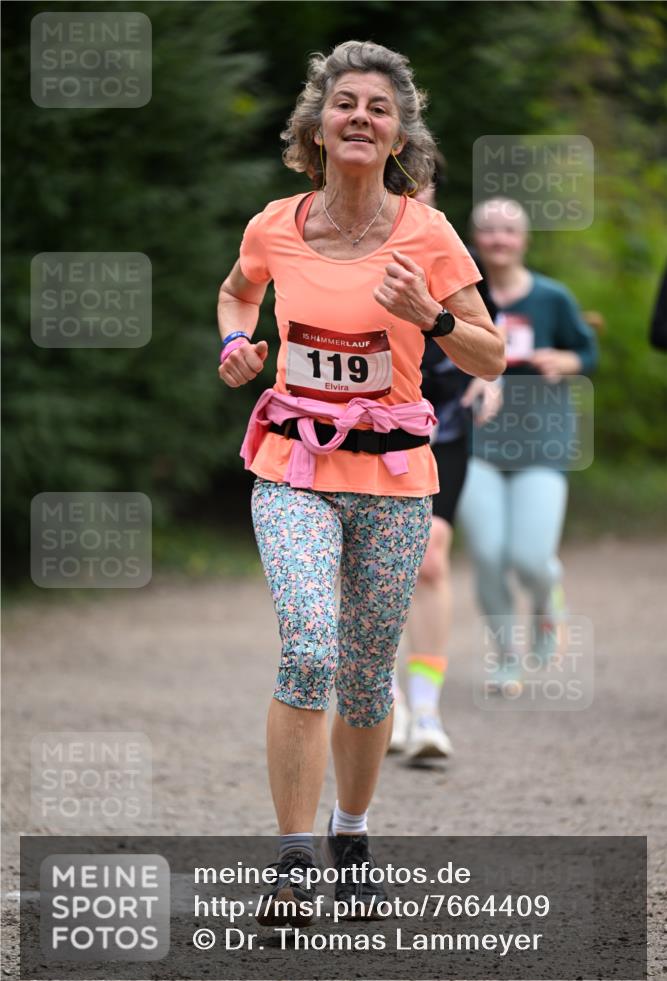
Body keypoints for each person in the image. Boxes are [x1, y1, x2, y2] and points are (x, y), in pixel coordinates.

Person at [217, 40, 504, 925]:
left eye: (378, 107)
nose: (359, 117)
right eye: (344, 102)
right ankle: (293, 860)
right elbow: (236, 293)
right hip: (292, 468)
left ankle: (351, 836)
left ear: (397, 136)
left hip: (392, 477)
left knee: (367, 678)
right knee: (309, 648)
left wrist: (432, 316)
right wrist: (235, 346)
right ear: (315, 124)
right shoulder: (274, 223)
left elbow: (489, 352)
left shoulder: (429, 233)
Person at [457, 197, 598, 692]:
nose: (499, 239)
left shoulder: (552, 298)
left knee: (531, 558)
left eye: (509, 230)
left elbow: (587, 351)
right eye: (489, 229)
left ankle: (546, 599)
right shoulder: (458, 295)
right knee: (490, 555)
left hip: (541, 443)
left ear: (525, 239)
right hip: (477, 444)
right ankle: (505, 658)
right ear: (474, 238)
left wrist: (566, 360)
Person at [390, 181, 503, 759]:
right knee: (357, 561)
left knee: (431, 556)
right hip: (371, 430)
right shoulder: (345, 246)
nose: (411, 195)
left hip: (444, 429)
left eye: (419, 185)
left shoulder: (455, 253)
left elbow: (490, 337)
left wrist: (489, 379)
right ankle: (383, 699)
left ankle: (427, 710)